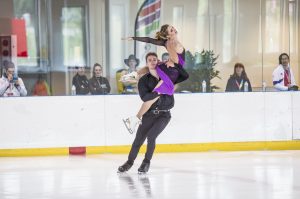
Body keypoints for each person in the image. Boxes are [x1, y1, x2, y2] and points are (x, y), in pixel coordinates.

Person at [118, 52, 188, 174]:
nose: (152, 61)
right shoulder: (143, 81)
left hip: (164, 115)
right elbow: (145, 98)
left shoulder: (167, 76)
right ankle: (129, 162)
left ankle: (146, 163)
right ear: (147, 63)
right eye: (149, 60)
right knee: (138, 140)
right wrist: (160, 91)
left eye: (154, 59)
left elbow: (177, 82)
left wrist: (166, 87)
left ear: (158, 61)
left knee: (151, 136)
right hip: (149, 114)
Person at [122, 24, 186, 133]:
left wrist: (133, 38)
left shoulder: (167, 42)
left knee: (154, 66)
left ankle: (135, 74)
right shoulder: (174, 43)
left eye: (173, 27)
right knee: (154, 96)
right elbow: (176, 61)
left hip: (170, 69)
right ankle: (134, 120)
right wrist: (170, 62)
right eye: (171, 29)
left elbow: (149, 40)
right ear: (168, 34)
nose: (174, 29)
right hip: (171, 73)